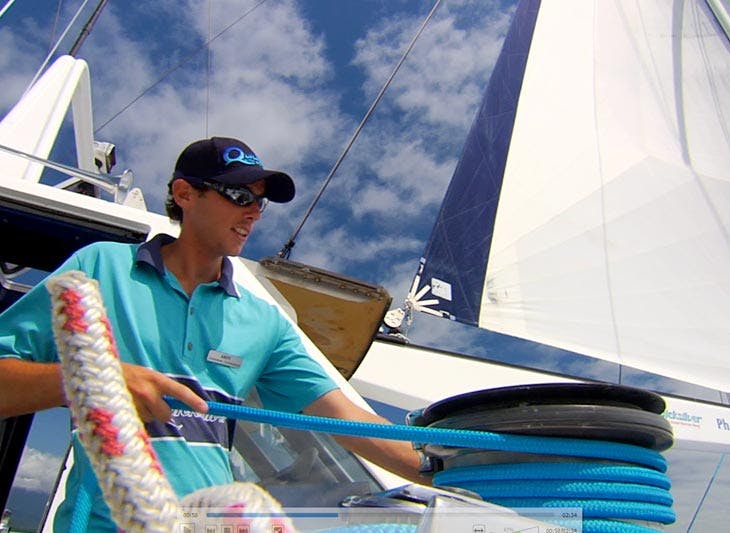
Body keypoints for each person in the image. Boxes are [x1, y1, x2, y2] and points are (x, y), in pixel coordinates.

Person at [0, 137, 424, 531]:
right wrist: (91, 380)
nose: (254, 212)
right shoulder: (100, 267)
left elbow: (350, 420)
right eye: (240, 196)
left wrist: (467, 470)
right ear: (185, 194)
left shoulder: (264, 322)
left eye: (260, 203)